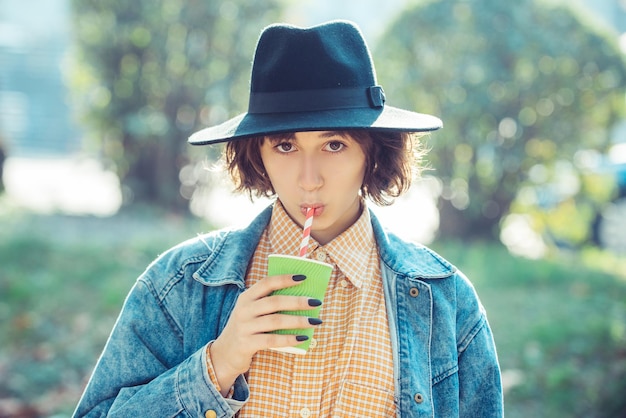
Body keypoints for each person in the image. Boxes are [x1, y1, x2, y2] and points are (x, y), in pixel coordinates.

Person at [73, 20, 503, 417]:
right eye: (284, 146)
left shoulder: (446, 302)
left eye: (334, 145)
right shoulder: (178, 284)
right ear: (257, 153)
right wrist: (217, 364)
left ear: (372, 151)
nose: (308, 180)